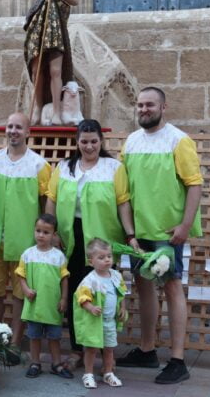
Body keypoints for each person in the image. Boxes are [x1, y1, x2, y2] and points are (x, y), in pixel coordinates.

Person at [116, 86, 203, 385]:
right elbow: (124, 191)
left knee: (172, 288)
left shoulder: (179, 140)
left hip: (168, 233)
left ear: (164, 107)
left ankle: (178, 360)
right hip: (139, 233)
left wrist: (185, 226)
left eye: (150, 105)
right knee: (143, 288)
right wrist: (129, 233)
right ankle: (147, 349)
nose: (143, 110)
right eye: (140, 105)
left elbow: (194, 185)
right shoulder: (130, 142)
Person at [45, 119, 134, 363]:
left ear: (101, 141)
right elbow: (51, 199)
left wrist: (130, 235)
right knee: (76, 292)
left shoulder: (113, 167)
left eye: (94, 141)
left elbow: (123, 202)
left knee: (103, 294)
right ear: (77, 142)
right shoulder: (64, 167)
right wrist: (52, 232)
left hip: (101, 241)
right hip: (70, 236)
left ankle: (104, 351)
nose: (89, 146)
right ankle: (77, 349)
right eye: (84, 141)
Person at [0, 112, 51, 355]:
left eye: (18, 127)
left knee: (20, 293)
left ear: (28, 132)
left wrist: (47, 233)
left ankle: (16, 342)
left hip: (24, 240)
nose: (13, 131)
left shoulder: (39, 165)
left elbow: (47, 200)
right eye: (9, 126)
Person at [7, 0, 78, 126]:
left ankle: (56, 111)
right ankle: (37, 108)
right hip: (37, 25)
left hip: (54, 26)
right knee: (36, 70)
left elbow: (75, 0)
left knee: (55, 71)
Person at [14, 213, 72, 379]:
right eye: (38, 230)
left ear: (54, 235)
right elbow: (21, 274)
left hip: (52, 305)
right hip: (34, 304)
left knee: (54, 337)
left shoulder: (58, 256)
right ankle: (35, 363)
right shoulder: (28, 254)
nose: (41, 235)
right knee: (34, 336)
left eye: (46, 232)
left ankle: (56, 364)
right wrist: (25, 289)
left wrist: (63, 299)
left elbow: (64, 279)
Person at [74, 238, 127, 389]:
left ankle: (108, 373)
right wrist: (91, 308)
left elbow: (121, 293)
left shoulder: (116, 276)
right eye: (101, 257)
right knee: (91, 348)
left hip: (109, 321)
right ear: (91, 261)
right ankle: (88, 373)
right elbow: (82, 297)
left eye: (109, 256)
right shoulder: (90, 280)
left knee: (109, 348)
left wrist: (122, 308)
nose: (107, 260)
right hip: (94, 321)